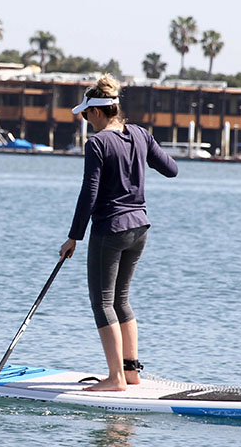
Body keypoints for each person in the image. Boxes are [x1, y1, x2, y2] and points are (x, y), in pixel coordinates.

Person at [59, 75, 178, 391]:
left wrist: (74, 236)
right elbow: (171, 169)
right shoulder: (140, 134)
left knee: (102, 303)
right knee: (121, 300)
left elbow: (90, 192)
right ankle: (131, 372)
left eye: (86, 115)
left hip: (110, 231)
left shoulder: (97, 143)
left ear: (97, 113)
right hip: (140, 228)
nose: (86, 120)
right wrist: (141, 153)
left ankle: (114, 378)